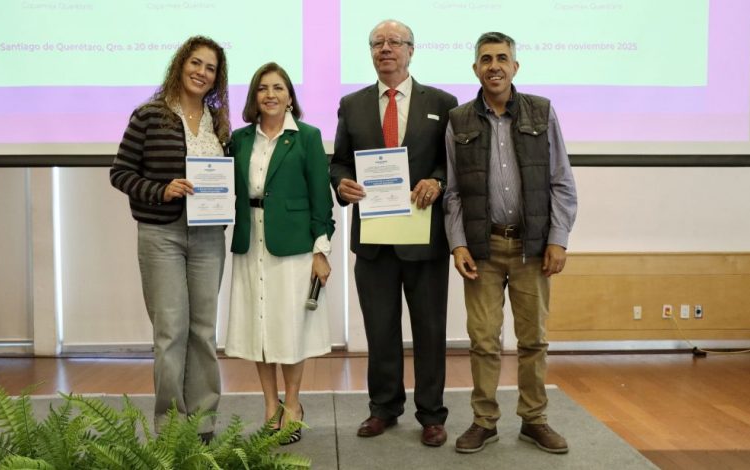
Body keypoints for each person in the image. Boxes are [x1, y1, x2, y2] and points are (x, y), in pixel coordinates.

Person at [444, 31, 578, 454]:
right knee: (484, 340)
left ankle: (534, 419)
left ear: (515, 66)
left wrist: (558, 238)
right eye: (486, 59)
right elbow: (452, 192)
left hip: (531, 248)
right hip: (482, 249)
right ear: (475, 69)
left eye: (502, 58)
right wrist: (458, 244)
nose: (494, 66)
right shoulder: (459, 120)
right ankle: (484, 421)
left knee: (533, 339)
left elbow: (561, 181)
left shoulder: (542, 111)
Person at [330, 19, 458, 447]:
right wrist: (341, 184)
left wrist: (438, 180)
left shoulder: (442, 103)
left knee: (429, 330)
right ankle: (383, 408)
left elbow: (451, 162)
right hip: (374, 240)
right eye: (377, 43)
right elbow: (340, 162)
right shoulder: (352, 105)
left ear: (411, 50)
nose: (385, 48)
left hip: (424, 239)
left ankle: (432, 414)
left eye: (394, 42)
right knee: (380, 329)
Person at [110, 36, 230, 442]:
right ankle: (171, 427)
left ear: (217, 78)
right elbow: (120, 173)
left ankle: (203, 423)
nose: (202, 72)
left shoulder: (220, 123)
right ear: (180, 65)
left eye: (210, 68)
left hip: (209, 236)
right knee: (170, 333)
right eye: (196, 63)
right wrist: (161, 190)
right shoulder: (149, 115)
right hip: (162, 234)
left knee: (204, 332)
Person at [224, 62, 335, 445]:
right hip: (249, 240)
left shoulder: (307, 137)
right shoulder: (239, 139)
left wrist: (321, 250)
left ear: (290, 97)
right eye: (263, 88)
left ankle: (293, 405)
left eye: (278, 88)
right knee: (259, 328)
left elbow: (321, 198)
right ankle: (270, 406)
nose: (270, 94)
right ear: (254, 97)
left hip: (294, 247)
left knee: (288, 328)